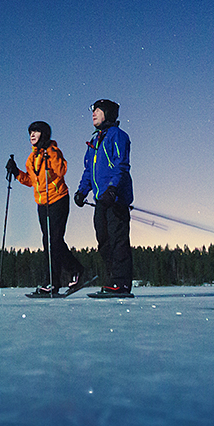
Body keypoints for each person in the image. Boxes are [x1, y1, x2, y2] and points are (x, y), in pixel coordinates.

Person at [5, 121, 85, 296]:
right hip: (42, 203)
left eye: (36, 132)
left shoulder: (53, 152)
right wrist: (16, 172)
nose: (32, 135)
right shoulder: (31, 158)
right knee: (48, 243)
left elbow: (62, 169)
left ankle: (66, 275)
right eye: (31, 132)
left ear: (45, 134)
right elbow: (31, 181)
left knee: (54, 241)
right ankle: (60, 279)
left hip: (58, 199)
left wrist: (49, 150)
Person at [75, 98, 134, 297]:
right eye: (93, 110)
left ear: (108, 113)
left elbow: (121, 165)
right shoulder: (93, 141)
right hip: (101, 199)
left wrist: (112, 189)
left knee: (118, 240)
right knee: (103, 241)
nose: (93, 114)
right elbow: (88, 170)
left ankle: (122, 283)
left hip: (115, 198)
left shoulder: (117, 135)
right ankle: (112, 280)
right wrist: (82, 191)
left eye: (98, 110)